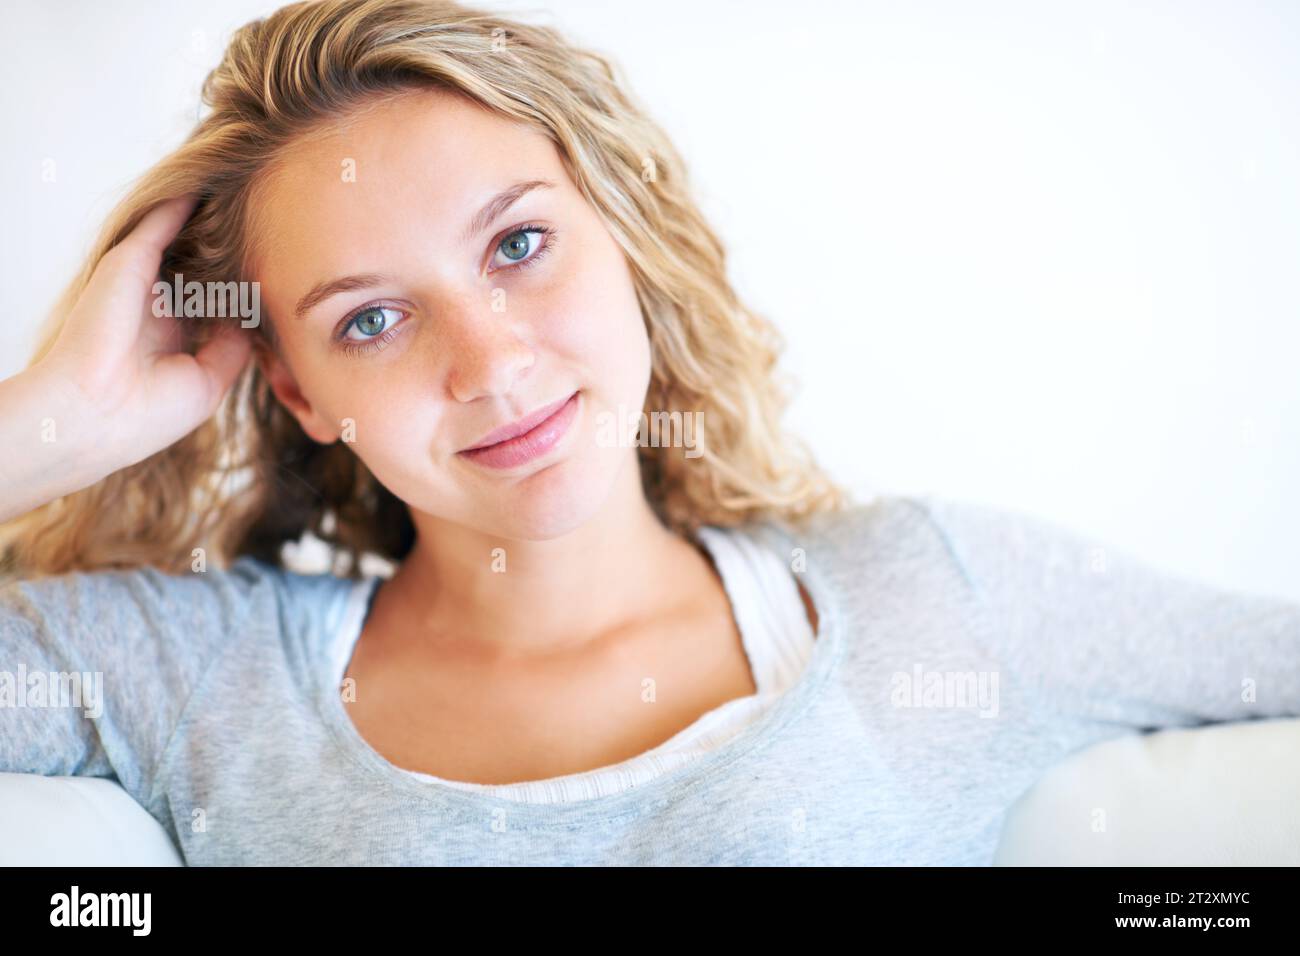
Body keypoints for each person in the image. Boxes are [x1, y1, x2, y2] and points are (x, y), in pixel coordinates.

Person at [2, 0, 1297, 866]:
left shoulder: (936, 599)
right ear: (296, 395)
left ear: (621, 240)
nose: (492, 363)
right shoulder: (194, 672)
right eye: (373, 321)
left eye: (520, 244)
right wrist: (51, 428)